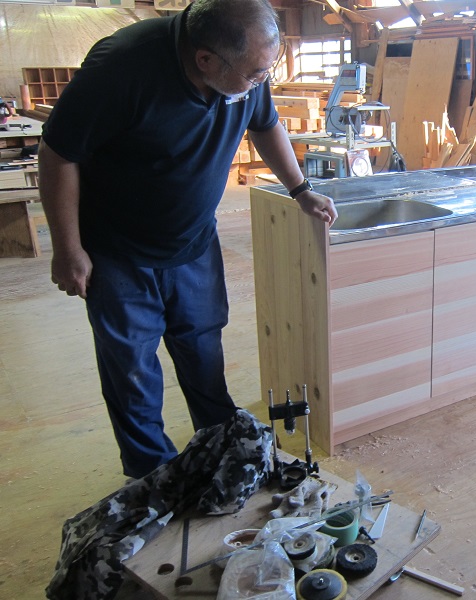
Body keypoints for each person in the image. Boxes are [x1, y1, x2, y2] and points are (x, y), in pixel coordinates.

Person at [38, 0, 337, 480]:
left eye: (266, 70)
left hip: (193, 243)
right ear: (205, 60)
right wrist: (68, 249)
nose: (262, 81)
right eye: (254, 75)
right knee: (133, 372)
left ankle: (220, 453)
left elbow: (265, 125)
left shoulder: (244, 67)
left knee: (203, 355)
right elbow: (57, 153)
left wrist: (300, 189)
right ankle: (153, 480)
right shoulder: (121, 68)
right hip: (119, 251)